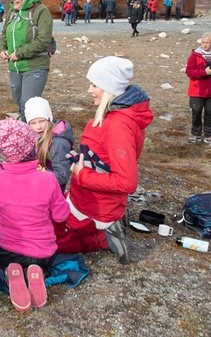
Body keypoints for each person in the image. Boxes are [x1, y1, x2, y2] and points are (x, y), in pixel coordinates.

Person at [55, 56, 153, 264]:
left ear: (110, 88)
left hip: (96, 206)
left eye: (95, 85)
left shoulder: (119, 126)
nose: (90, 90)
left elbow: (127, 182)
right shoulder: (113, 117)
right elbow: (103, 158)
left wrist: (82, 175)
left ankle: (105, 236)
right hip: (83, 198)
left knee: (52, 242)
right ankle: (110, 224)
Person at [0, 118, 70, 311]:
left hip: (5, 250)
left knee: (4, 259)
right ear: (31, 146)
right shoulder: (48, 179)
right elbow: (60, 216)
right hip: (40, 253)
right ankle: (35, 271)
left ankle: (11, 270)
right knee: (39, 261)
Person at [0, 0, 54, 120]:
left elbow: (44, 39)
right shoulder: (12, 12)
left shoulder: (41, 11)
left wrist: (20, 53)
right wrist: (2, 49)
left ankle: (33, 136)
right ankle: (28, 130)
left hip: (35, 66)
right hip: (15, 66)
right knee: (19, 101)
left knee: (28, 104)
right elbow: (4, 32)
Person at [25, 96, 74, 191]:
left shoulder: (59, 143)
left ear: (49, 119)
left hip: (53, 191)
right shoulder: (33, 137)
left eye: (42, 121)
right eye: (33, 123)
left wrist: (42, 173)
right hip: (39, 186)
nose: (38, 127)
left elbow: (62, 176)